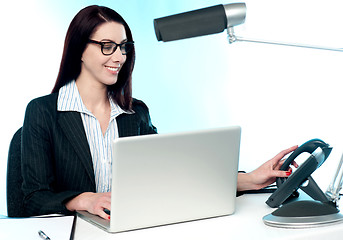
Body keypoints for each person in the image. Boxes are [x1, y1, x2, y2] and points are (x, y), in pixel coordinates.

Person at [21, 5, 297, 220]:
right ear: (79, 48)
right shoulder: (43, 112)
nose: (119, 57)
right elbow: (32, 198)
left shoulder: (135, 113)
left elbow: (172, 176)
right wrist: (84, 200)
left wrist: (251, 179)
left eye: (124, 47)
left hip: (132, 228)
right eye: (107, 46)